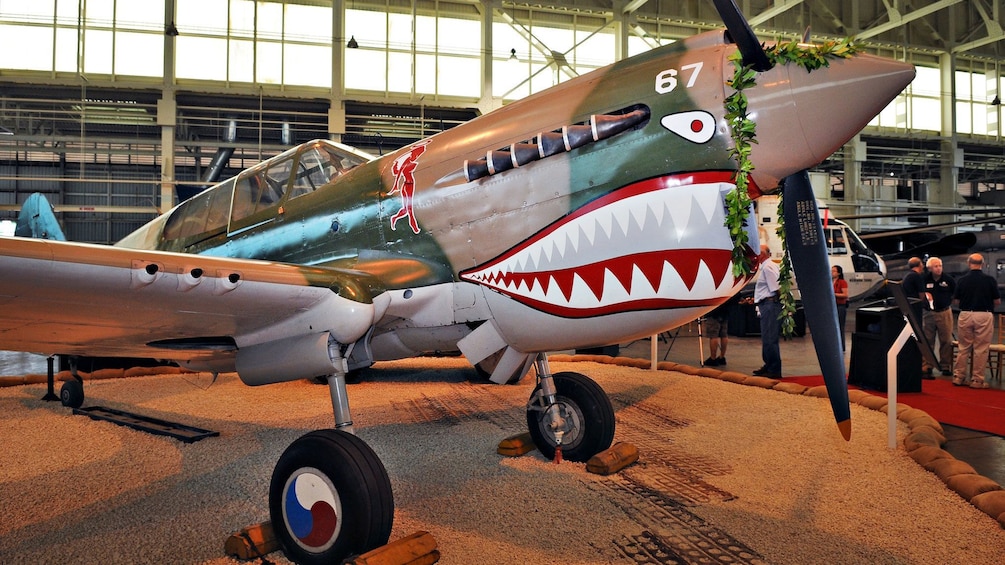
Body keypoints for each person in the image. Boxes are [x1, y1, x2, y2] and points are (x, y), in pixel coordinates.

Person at [952, 253, 1001, 389]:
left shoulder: (962, 280)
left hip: (966, 314)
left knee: (963, 347)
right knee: (981, 348)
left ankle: (958, 377)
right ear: (983, 264)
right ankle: (977, 380)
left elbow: (956, 301)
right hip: (983, 314)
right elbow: (997, 301)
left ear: (969, 264)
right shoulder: (990, 280)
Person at [921, 256, 956, 379]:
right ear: (929, 268)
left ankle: (945, 366)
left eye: (940, 266)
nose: (938, 268)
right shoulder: (924, 279)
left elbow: (954, 294)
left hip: (944, 312)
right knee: (928, 340)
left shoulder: (948, 279)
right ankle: (927, 365)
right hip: (928, 313)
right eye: (935, 266)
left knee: (946, 340)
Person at [752, 244, 782, 379]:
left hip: (770, 305)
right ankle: (769, 365)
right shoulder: (768, 266)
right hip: (767, 304)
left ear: (762, 255)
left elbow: (775, 288)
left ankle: (774, 368)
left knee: (770, 338)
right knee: (767, 338)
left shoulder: (768, 268)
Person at [703, 298, 733, 366]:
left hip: (714, 310)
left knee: (713, 335)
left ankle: (713, 358)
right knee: (724, 335)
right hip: (725, 309)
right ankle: (721, 357)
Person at [901, 256, 926, 323]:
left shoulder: (908, 276)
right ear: (920, 264)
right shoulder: (917, 276)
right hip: (915, 307)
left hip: (909, 306)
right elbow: (921, 295)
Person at [832, 265, 849, 351]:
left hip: (840, 306)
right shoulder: (830, 282)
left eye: (834, 271)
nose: (832, 272)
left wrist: (834, 294)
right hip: (833, 306)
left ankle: (841, 347)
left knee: (840, 327)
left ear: (838, 273)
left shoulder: (842, 282)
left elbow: (845, 294)